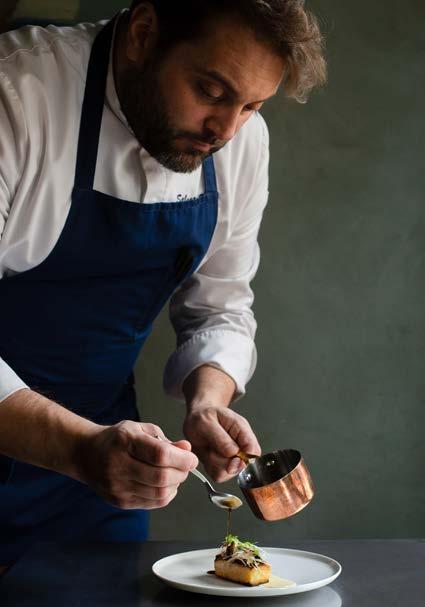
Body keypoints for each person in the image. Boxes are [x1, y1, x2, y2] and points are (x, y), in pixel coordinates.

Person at [0, 0, 326, 564]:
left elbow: (220, 305)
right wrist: (78, 448)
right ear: (144, 33)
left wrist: (208, 401)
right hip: (78, 448)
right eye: (211, 91)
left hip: (99, 482)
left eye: (252, 106)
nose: (225, 130)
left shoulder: (241, 141)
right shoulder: (17, 97)